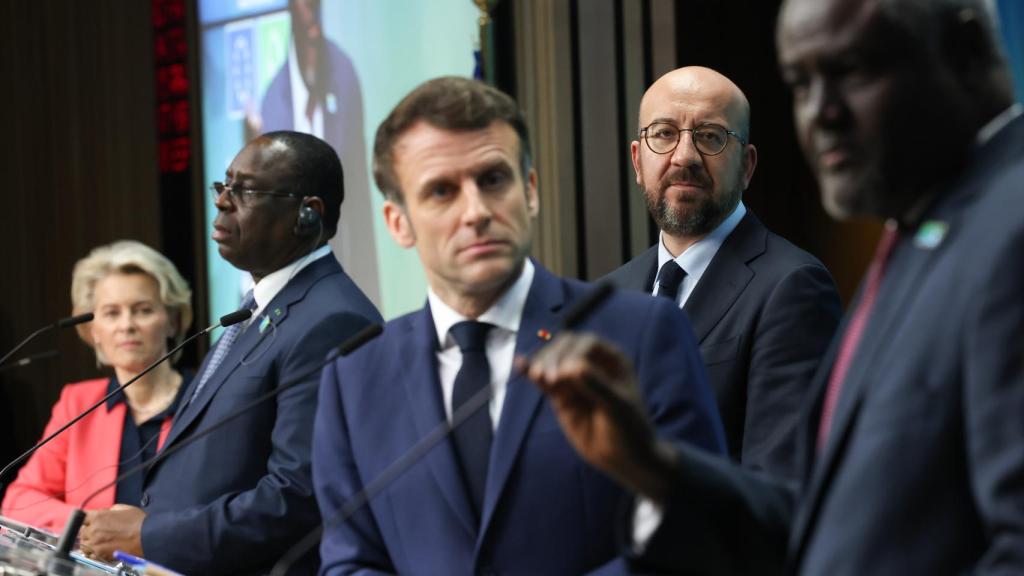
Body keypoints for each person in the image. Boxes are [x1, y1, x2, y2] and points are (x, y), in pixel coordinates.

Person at [526, 0, 1024, 574]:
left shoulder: (1007, 232)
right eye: (801, 83)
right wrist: (655, 465)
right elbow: (818, 521)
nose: (822, 113)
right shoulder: (924, 235)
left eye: (852, 70)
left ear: (964, 54)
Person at [313, 76, 727, 575]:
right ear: (398, 222)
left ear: (529, 191)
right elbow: (349, 562)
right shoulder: (355, 377)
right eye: (441, 191)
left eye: (492, 179)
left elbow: (697, 535)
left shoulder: (640, 333)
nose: (476, 212)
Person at [78, 131, 382, 575]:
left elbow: (297, 497)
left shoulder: (332, 320)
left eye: (247, 191)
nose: (222, 202)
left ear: (307, 214)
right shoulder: (260, 309)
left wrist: (151, 535)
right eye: (224, 186)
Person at [604, 66, 842, 477]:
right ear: (637, 160)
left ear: (747, 166)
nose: (684, 157)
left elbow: (778, 491)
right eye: (663, 133)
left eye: (710, 136)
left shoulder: (794, 286)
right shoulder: (609, 295)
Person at [1, 241, 193, 534]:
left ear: (172, 321)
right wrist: (91, 526)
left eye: (143, 310)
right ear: (94, 330)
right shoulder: (77, 402)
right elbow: (19, 501)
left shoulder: (208, 397)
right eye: (112, 313)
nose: (126, 325)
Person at [255, 0, 380, 308]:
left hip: (346, 264)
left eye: (316, 4)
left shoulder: (344, 74)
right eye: (304, 5)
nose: (312, 13)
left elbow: (360, 198)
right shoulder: (274, 98)